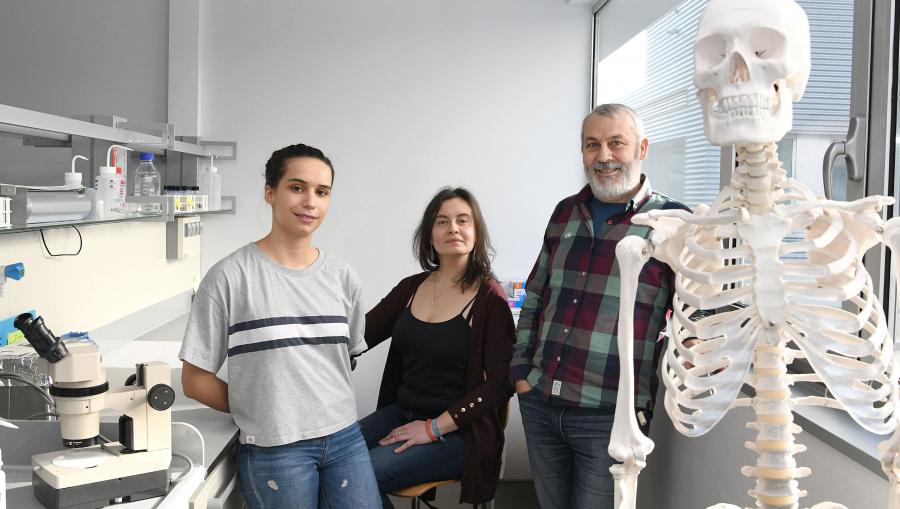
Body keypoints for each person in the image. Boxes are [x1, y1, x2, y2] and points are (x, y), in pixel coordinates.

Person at [179, 143, 381, 509]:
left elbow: (341, 361)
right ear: (270, 193)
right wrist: (262, 408)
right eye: (297, 187)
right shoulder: (229, 277)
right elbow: (194, 381)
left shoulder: (343, 277)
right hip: (276, 449)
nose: (310, 202)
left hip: (345, 438)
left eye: (322, 192)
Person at [510, 103, 689, 509]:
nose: (604, 156)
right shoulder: (565, 213)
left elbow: (697, 311)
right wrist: (522, 373)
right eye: (592, 145)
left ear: (642, 148)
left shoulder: (671, 220)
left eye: (616, 143)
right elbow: (537, 293)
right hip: (541, 403)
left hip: (608, 416)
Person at [361, 187, 516, 508]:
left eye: (463, 220)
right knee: (329, 461)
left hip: (460, 430)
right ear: (430, 235)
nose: (453, 228)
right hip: (402, 413)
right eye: (442, 222)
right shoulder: (410, 288)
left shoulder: (489, 299)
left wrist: (432, 428)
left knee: (360, 476)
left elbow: (502, 383)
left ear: (476, 233)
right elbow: (357, 336)